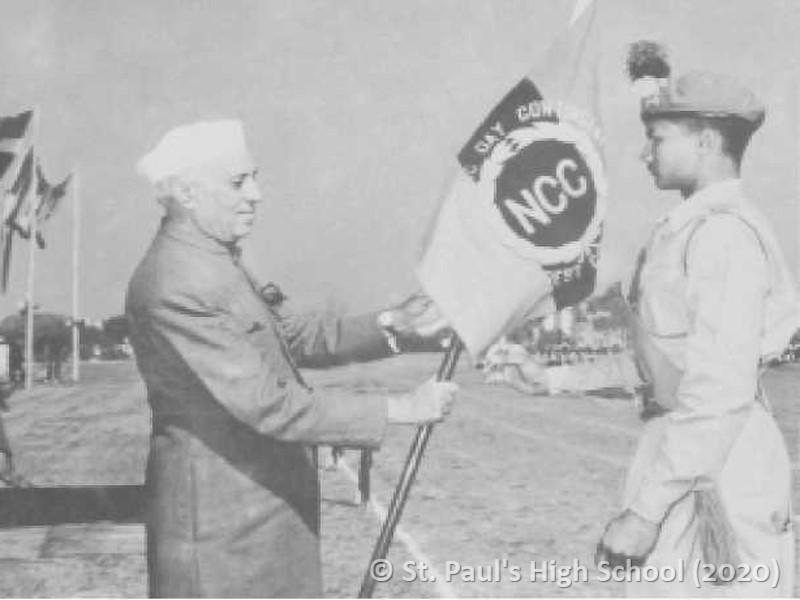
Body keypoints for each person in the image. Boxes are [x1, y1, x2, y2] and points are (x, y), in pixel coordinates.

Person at [126, 120, 457, 598]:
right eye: (238, 182)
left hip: (260, 517)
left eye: (253, 178)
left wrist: (394, 323)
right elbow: (265, 402)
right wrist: (398, 408)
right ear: (188, 193)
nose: (256, 194)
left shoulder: (214, 260)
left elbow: (289, 335)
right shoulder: (176, 281)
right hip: (222, 536)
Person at [596, 70, 799, 596]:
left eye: (658, 138)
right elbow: (665, 358)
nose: (645, 153)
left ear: (706, 142)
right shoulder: (690, 230)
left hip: (717, 468)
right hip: (687, 452)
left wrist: (645, 512)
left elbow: (718, 390)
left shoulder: (723, 235)